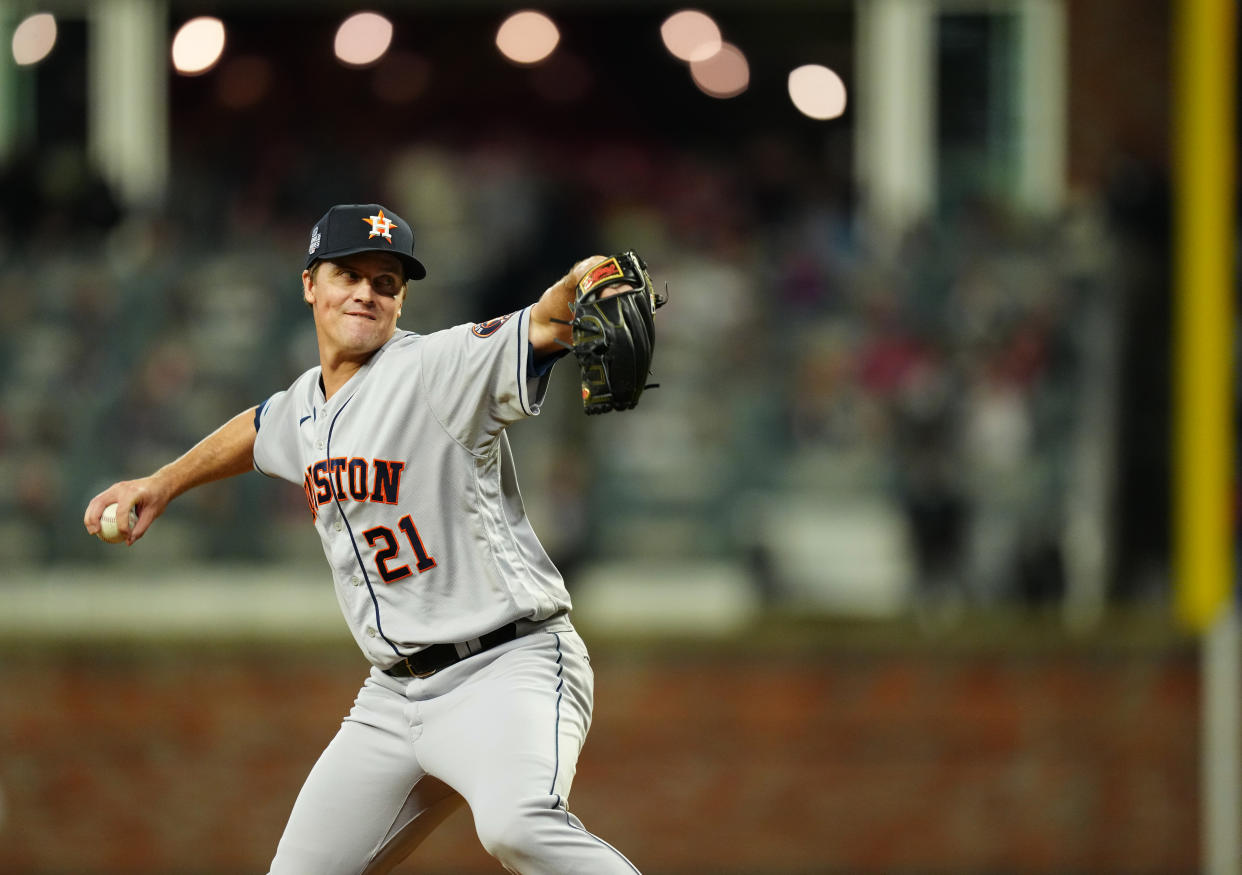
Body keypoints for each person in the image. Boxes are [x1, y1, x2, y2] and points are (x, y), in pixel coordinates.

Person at [84, 203, 642, 875]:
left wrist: (591, 275)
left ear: (401, 301)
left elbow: (549, 319)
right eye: (348, 273)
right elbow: (261, 427)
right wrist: (163, 483)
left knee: (519, 824)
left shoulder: (437, 368)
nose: (366, 293)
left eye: (385, 281)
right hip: (393, 696)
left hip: (507, 665)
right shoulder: (306, 404)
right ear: (309, 284)